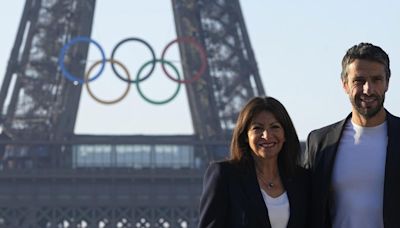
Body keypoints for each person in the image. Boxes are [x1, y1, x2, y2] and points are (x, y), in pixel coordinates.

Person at [306, 42, 400, 228]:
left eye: (376, 80)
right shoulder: (320, 142)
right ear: (345, 85)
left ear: (387, 83)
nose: (368, 89)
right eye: (359, 80)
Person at [198, 96, 310, 228]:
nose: (267, 135)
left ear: (285, 134)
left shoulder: (302, 180)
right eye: (258, 128)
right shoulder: (225, 176)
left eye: (275, 127)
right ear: (245, 135)